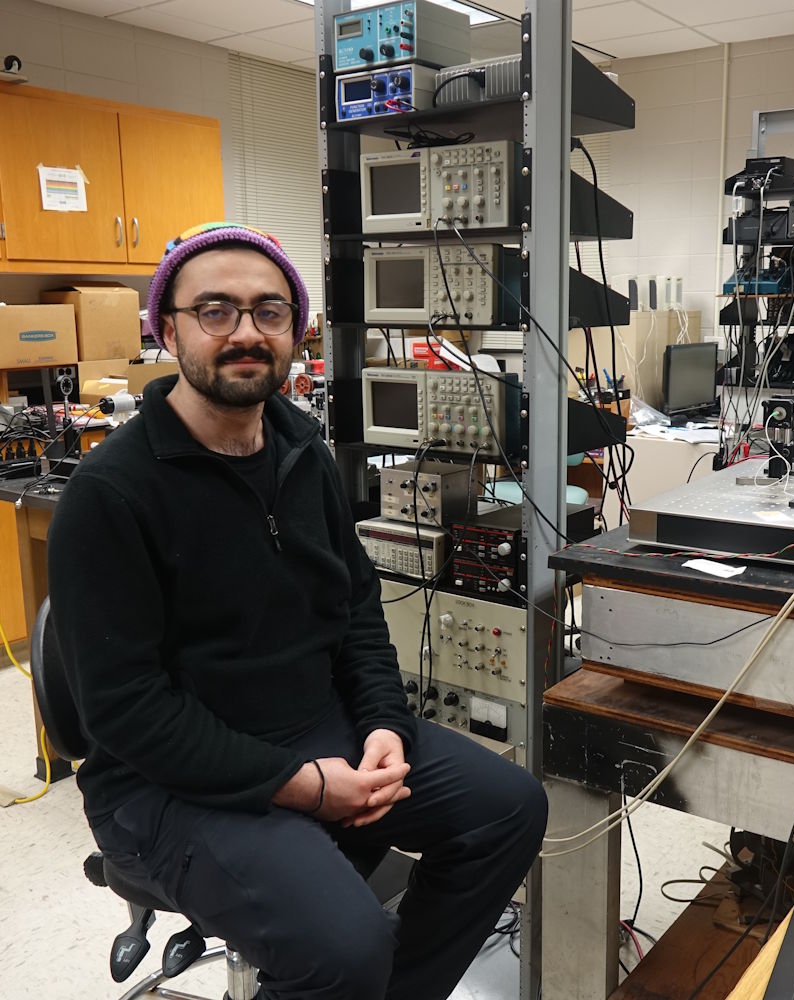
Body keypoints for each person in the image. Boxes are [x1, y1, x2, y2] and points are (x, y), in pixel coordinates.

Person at [47, 222, 548, 1000]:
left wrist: (384, 725)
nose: (245, 332)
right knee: (344, 949)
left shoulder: (302, 452)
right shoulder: (111, 494)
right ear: (167, 329)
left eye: (269, 311)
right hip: (164, 785)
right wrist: (303, 785)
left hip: (319, 731)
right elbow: (127, 712)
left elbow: (356, 611)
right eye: (215, 311)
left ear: (294, 330)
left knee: (509, 809)